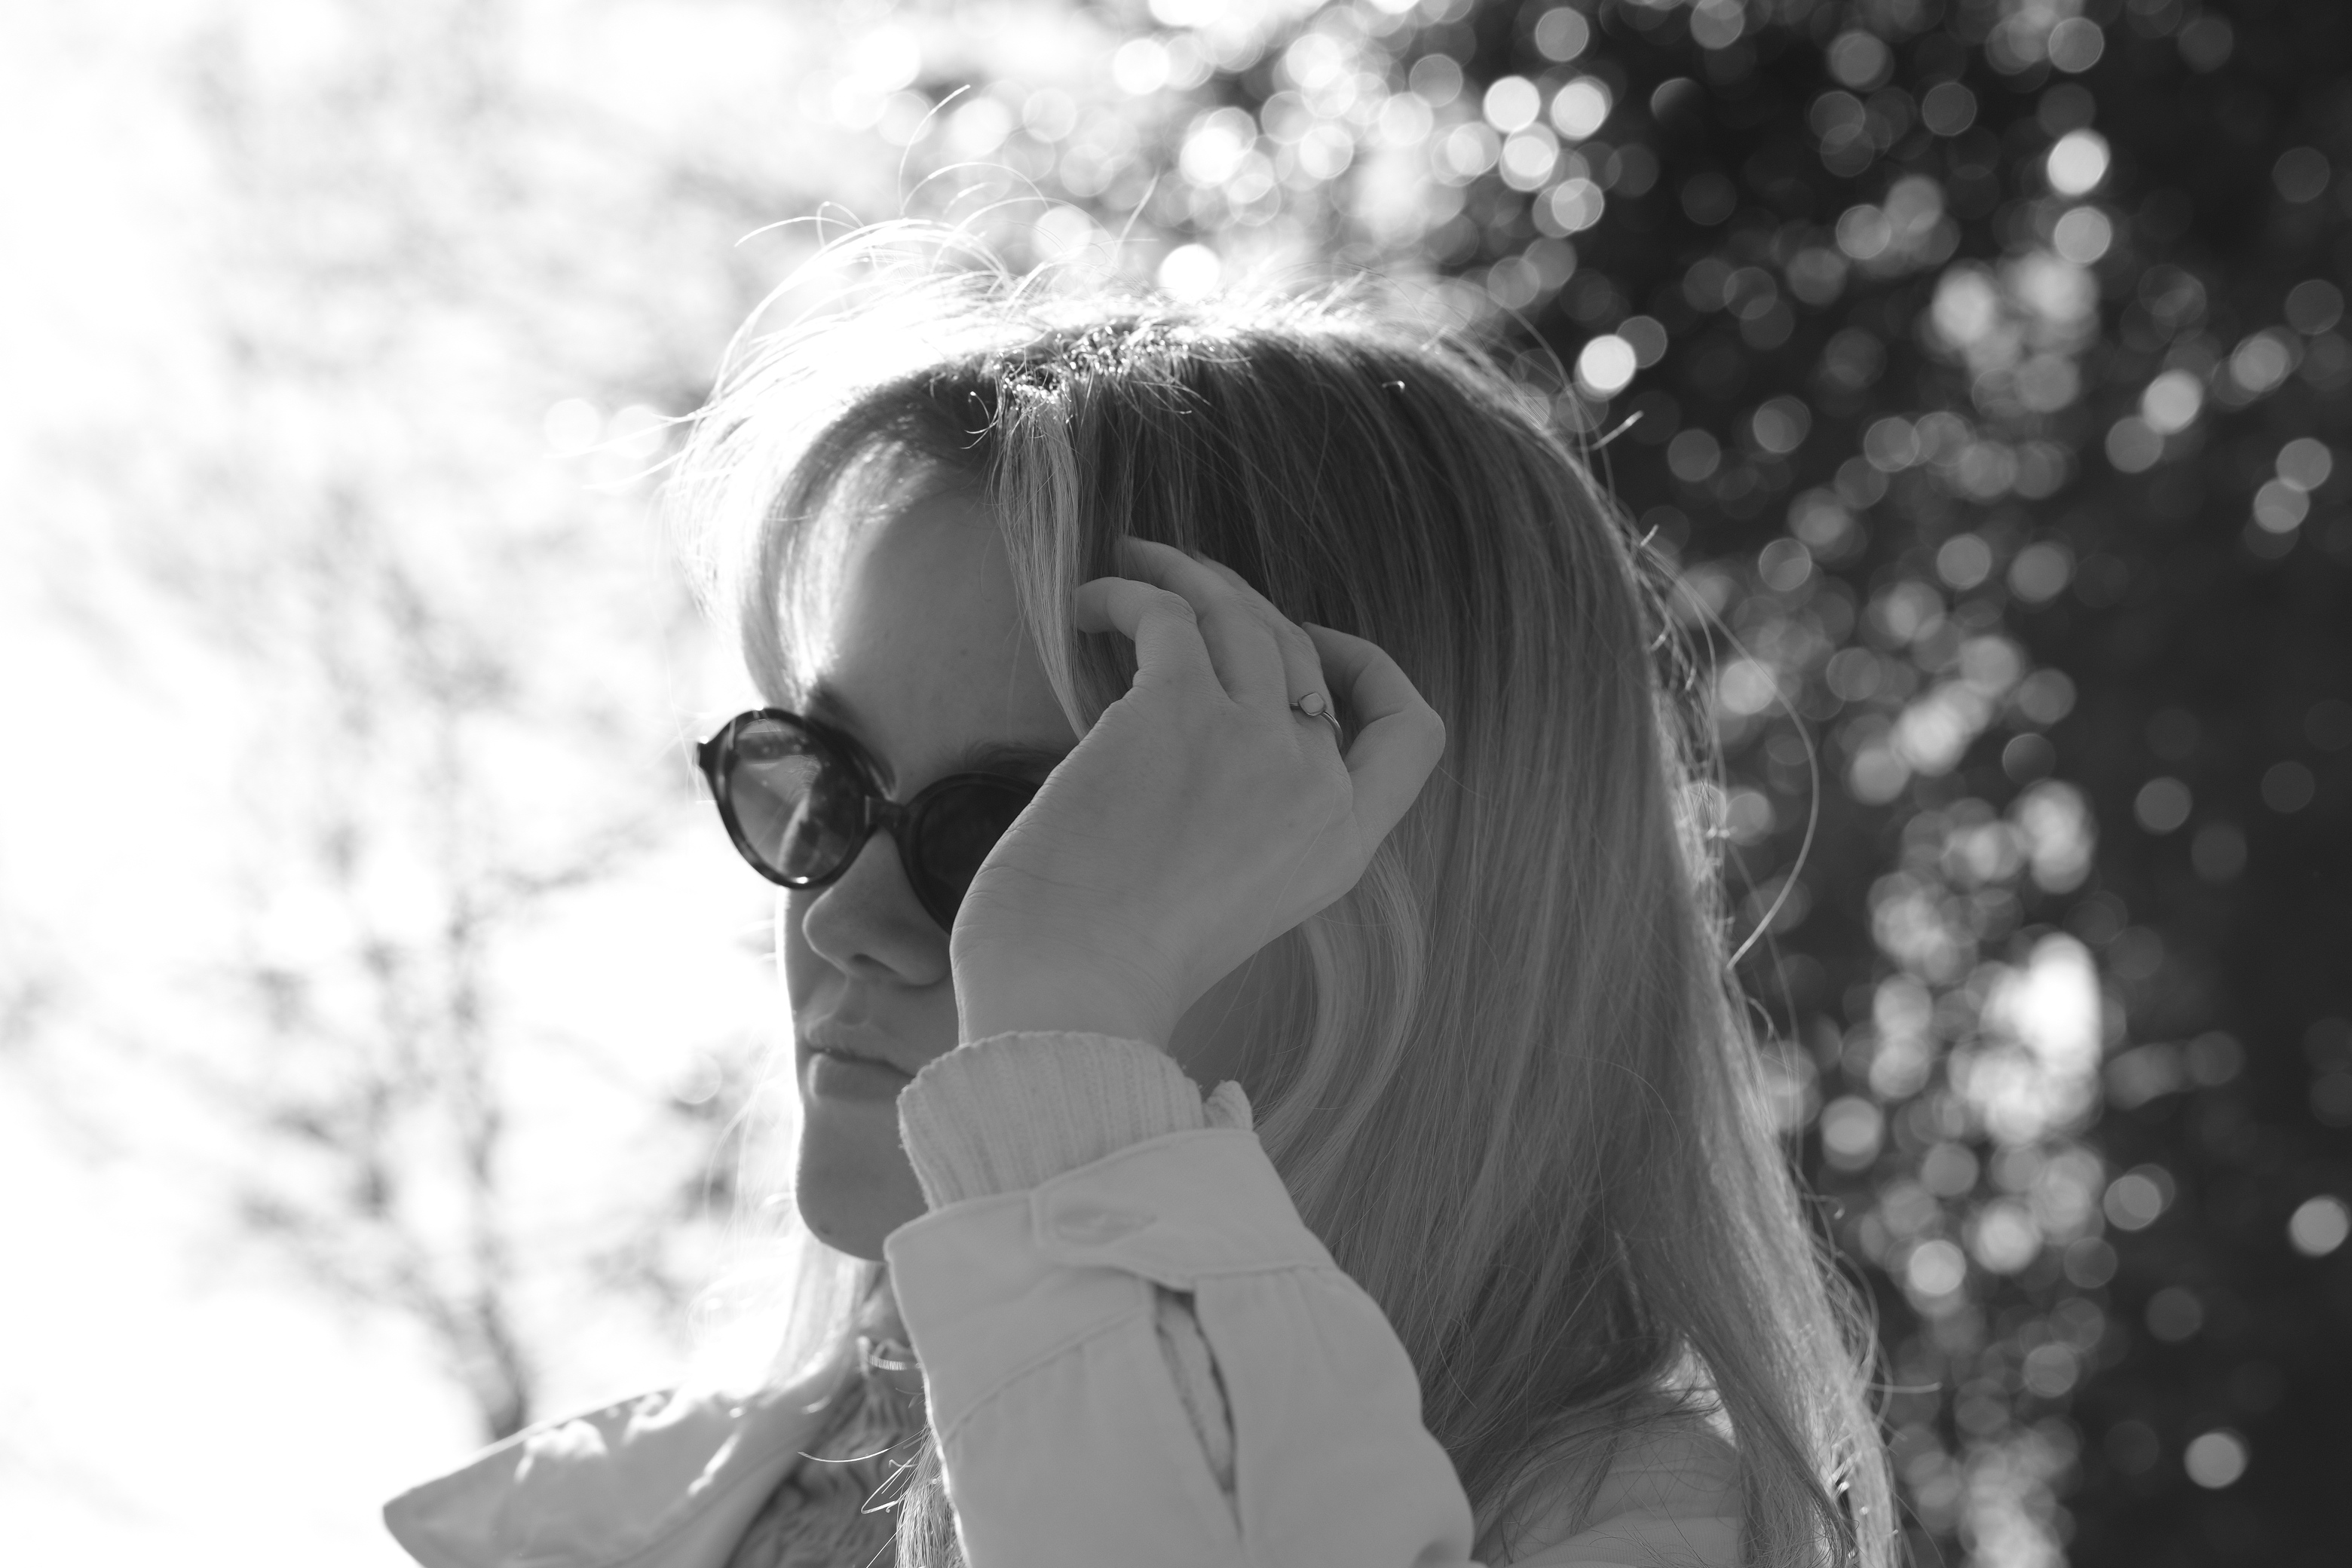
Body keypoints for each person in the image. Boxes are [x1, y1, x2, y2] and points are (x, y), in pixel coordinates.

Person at [382, 229, 1899, 1567]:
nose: (843, 914)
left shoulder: (1634, 1526)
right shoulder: (616, 1523)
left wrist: (1061, 1052)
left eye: (1023, 832)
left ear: (1396, 903)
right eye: (826, 778)